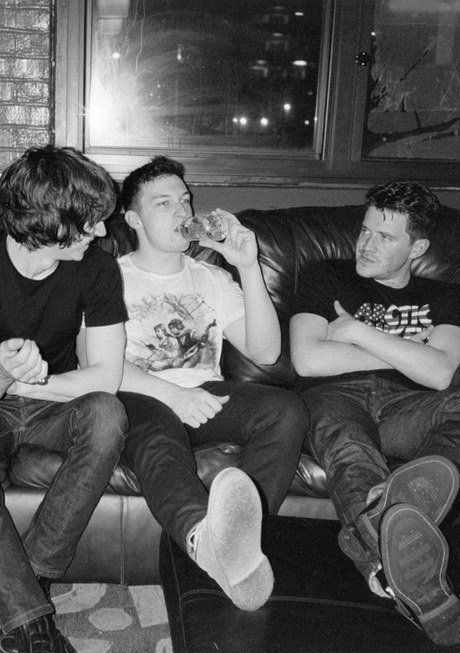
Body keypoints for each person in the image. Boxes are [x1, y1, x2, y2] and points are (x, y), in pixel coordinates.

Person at [0, 145, 128, 653]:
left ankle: (29, 580)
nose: (101, 232)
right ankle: (32, 622)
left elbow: (106, 377)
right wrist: (0, 368)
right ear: (49, 221)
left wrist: (23, 381)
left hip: (56, 402)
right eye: (89, 222)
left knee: (107, 414)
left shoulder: (99, 269)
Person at [289, 180, 460, 646]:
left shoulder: (450, 298)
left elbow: (440, 375)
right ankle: (398, 574)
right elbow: (309, 360)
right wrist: (407, 351)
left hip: (409, 408)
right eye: (365, 231)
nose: (366, 244)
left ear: (417, 248)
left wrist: (356, 332)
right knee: (349, 446)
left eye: (385, 237)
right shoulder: (324, 276)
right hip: (335, 397)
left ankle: (402, 514)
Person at [114, 156, 308, 610]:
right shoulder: (109, 278)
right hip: (139, 396)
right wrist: (172, 396)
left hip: (205, 396)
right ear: (133, 220)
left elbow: (266, 352)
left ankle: (241, 545)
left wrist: (248, 266)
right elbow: (98, 363)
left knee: (286, 410)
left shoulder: (212, 277)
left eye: (185, 200)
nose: (182, 211)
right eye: (163, 203)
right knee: (159, 428)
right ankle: (205, 542)